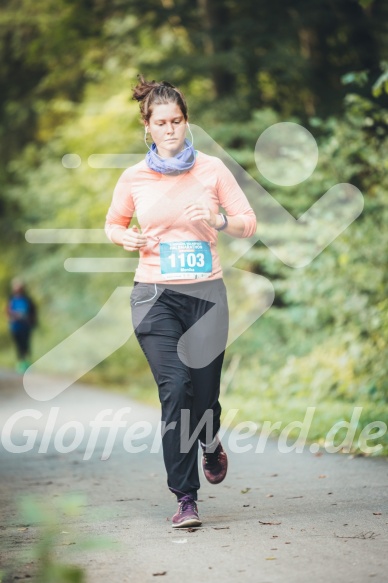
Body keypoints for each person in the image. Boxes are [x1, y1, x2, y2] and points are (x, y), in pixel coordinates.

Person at [105, 75, 256, 528]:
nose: (170, 129)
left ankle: (210, 439)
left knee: (204, 397)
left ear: (186, 123)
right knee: (176, 391)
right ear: (147, 126)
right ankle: (186, 497)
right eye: (161, 122)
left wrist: (218, 218)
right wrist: (125, 238)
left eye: (177, 121)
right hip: (154, 296)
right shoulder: (134, 177)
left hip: (206, 295)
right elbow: (112, 224)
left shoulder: (211, 169)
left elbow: (248, 222)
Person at [7, 278, 37, 373]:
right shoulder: (11, 299)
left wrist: (32, 322)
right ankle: (20, 363)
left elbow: (33, 312)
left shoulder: (27, 299)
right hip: (15, 326)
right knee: (18, 345)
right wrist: (13, 316)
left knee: (26, 344)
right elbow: (8, 311)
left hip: (25, 326)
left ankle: (27, 364)